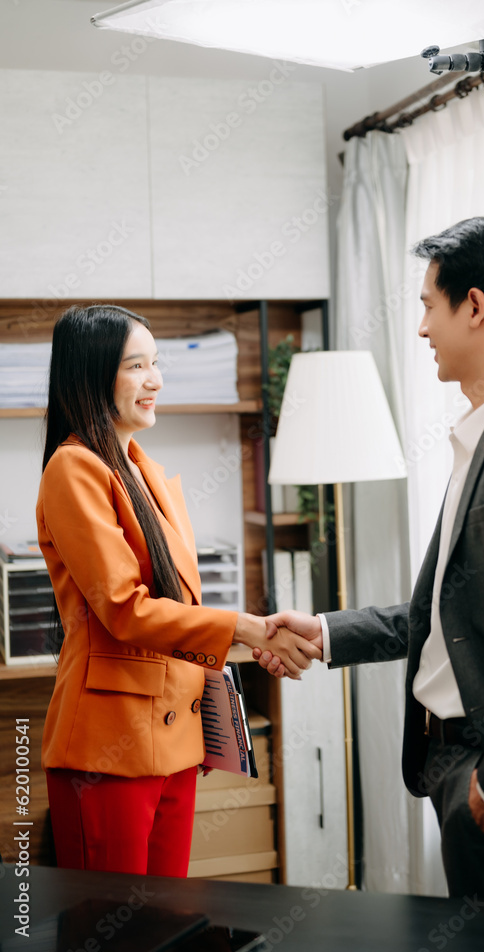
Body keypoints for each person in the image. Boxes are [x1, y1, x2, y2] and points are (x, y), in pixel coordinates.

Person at [253, 217, 484, 903]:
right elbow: (447, 613)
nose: (421, 328)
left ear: (475, 307)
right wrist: (327, 632)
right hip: (453, 765)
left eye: (428, 305)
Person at [38, 303, 316, 877]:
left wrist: (212, 710)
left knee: (165, 923)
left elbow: (180, 609)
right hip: (108, 747)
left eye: (156, 363)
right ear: (91, 376)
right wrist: (243, 627)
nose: (155, 380)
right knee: (110, 928)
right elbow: (126, 610)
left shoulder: (144, 468)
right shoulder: (73, 468)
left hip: (176, 738)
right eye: (135, 366)